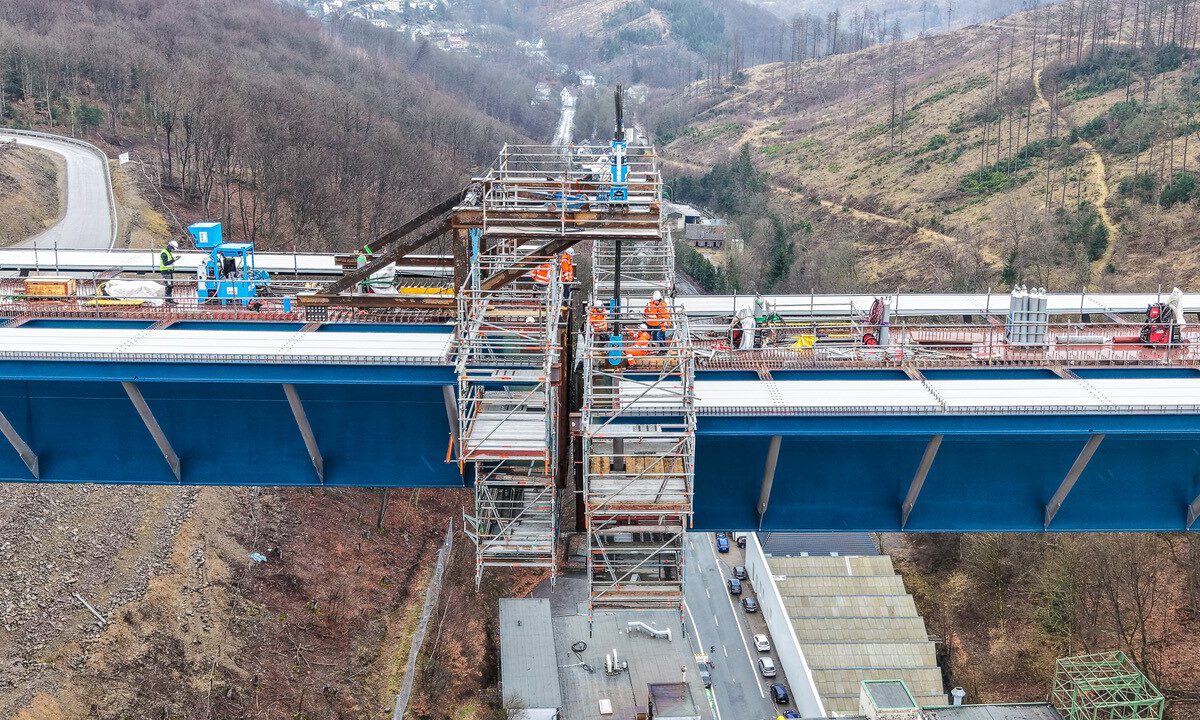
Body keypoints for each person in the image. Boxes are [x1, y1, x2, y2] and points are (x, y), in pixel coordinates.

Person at [159, 240, 179, 304]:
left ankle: (170, 299)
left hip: (169, 272)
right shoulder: (164, 253)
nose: (173, 250)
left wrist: (174, 259)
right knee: (169, 286)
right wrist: (174, 260)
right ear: (170, 246)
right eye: (173, 248)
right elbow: (165, 263)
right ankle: (167, 300)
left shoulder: (168, 252)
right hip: (165, 272)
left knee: (170, 286)